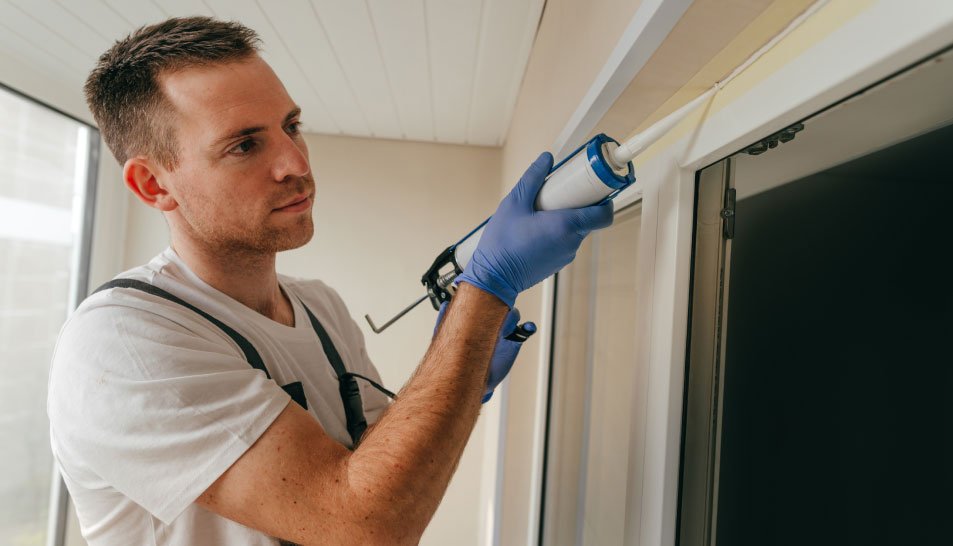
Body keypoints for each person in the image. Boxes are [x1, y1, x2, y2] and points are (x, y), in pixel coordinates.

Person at [47, 17, 612, 546]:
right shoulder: (123, 341)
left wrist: (464, 372)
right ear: (152, 185)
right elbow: (364, 524)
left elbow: (379, 468)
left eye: (291, 126)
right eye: (245, 144)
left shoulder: (320, 306)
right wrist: (485, 291)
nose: (295, 162)